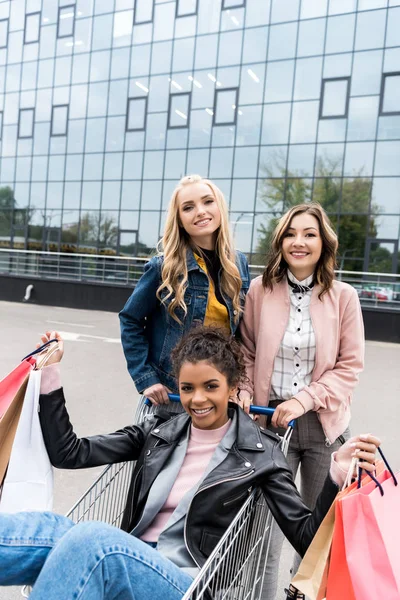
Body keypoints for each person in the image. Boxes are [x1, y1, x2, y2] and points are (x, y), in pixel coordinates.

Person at [0, 328, 378, 600]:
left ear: (233, 388)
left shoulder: (261, 454)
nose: (197, 399)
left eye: (210, 386)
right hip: (129, 559)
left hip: (187, 583)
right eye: (187, 388)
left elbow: (307, 537)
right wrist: (49, 373)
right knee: (54, 529)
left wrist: (335, 476)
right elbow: (71, 452)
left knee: (92, 541)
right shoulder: (158, 432)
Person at [239, 202, 365, 599]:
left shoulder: (343, 296)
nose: (299, 241)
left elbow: (349, 367)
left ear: (323, 244)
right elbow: (245, 351)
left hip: (324, 429)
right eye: (291, 233)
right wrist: (243, 390)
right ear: (281, 242)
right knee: (265, 530)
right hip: (271, 424)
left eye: (309, 234)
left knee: (317, 529)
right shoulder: (260, 290)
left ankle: (302, 594)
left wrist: (306, 399)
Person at [119, 174, 250, 407]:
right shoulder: (164, 267)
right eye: (188, 207)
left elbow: (240, 334)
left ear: (219, 207)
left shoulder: (238, 264)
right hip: (173, 395)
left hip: (219, 394)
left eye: (208, 202)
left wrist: (241, 386)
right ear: (179, 219)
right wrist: (146, 379)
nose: (200, 211)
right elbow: (130, 320)